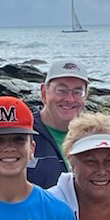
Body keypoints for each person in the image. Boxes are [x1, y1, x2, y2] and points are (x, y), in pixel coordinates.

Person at [27, 60, 90, 188]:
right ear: (44, 92)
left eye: (77, 92)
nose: (69, 99)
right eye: (62, 90)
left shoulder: (93, 135)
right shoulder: (23, 132)